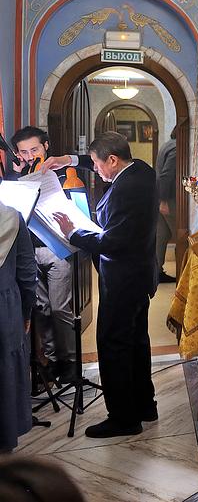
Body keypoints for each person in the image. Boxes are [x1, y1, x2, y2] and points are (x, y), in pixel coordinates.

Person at [46, 132, 158, 438]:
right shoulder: (142, 170)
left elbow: (113, 242)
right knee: (136, 342)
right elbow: (94, 159)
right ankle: (145, 406)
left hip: (123, 280)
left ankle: (123, 419)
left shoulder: (126, 190)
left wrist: (73, 233)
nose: (94, 169)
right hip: (140, 276)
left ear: (113, 160)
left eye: (97, 164)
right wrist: (68, 160)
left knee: (113, 345)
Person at [5, 127, 75, 385]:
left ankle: (70, 361)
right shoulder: (15, 177)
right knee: (41, 309)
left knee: (59, 308)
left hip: (56, 248)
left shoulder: (62, 173)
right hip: (29, 252)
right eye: (23, 152)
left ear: (46, 146)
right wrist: (17, 175)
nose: (29, 156)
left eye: (34, 150)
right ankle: (52, 360)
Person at [0, 200, 36, 454]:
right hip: (5, 307)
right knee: (5, 369)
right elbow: (26, 270)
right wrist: (26, 311)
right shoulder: (11, 217)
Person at [155, 133, 176, 284]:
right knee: (181, 235)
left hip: (161, 196)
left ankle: (156, 272)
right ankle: (185, 271)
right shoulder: (176, 148)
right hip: (169, 199)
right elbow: (166, 176)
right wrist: (164, 200)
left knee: (161, 236)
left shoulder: (167, 145)